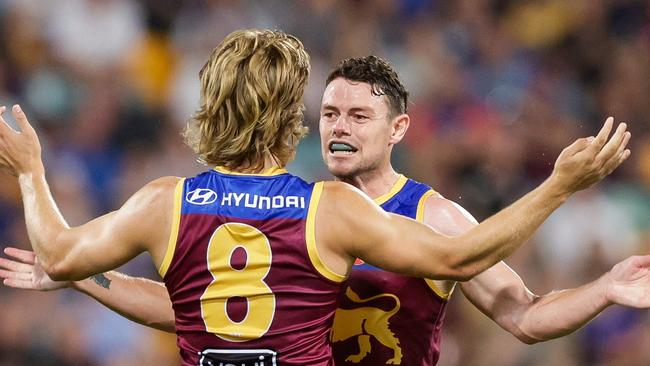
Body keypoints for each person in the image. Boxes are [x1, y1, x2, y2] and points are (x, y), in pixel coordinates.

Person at [0, 29, 630, 366]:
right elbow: (197, 308)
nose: (339, 126)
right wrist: (86, 278)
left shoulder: (434, 215)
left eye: (359, 115)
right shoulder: (320, 208)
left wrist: (600, 287)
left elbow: (521, 314)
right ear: (302, 120)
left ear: (398, 129)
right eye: (329, 112)